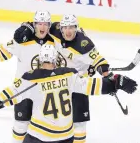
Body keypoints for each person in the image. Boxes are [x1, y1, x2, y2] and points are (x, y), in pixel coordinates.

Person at [0, 44, 137, 143]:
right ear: (56, 60)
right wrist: (117, 82)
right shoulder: (69, 75)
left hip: (40, 137)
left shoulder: (30, 79)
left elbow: (8, 96)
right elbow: (93, 86)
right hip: (66, 137)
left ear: (39, 60)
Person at [12, 14, 110, 143]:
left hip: (77, 84)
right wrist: (28, 26)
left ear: (76, 28)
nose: (68, 31)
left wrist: (107, 77)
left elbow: (99, 62)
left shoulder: (84, 44)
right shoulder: (54, 30)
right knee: (55, 123)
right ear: (61, 28)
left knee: (79, 125)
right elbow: (41, 24)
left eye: (71, 27)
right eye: (65, 27)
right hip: (60, 84)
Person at [0, 11, 65, 143]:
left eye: (45, 24)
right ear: (34, 24)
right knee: (21, 127)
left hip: (46, 93)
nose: (42, 27)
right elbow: (1, 53)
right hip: (22, 90)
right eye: (39, 23)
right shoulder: (22, 41)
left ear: (49, 26)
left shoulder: (55, 43)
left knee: (46, 130)